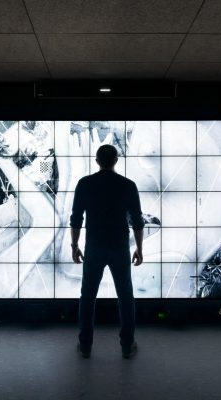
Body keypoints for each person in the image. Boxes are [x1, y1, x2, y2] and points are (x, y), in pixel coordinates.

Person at [70, 144, 145, 359]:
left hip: (94, 246)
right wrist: (139, 248)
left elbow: (76, 218)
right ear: (116, 160)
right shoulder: (127, 185)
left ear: (96, 160)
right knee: (125, 297)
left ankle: (85, 346)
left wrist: (74, 246)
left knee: (88, 297)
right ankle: (127, 345)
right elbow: (137, 222)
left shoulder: (85, 184)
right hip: (119, 247)